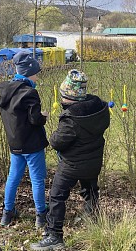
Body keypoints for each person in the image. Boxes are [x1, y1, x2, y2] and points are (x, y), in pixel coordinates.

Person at [30, 69, 110, 250]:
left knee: (57, 196)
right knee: (90, 190)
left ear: (69, 96)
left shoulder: (71, 118)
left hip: (72, 165)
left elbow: (57, 142)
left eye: (63, 96)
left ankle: (54, 236)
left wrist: (52, 135)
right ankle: (94, 221)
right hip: (94, 161)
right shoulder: (98, 110)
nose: (61, 99)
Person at [0, 50, 49, 228]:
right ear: (28, 73)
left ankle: (7, 213)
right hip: (32, 145)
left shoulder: (2, 91)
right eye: (36, 74)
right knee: (37, 179)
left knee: (13, 178)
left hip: (14, 143)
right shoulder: (30, 93)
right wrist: (44, 116)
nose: (37, 78)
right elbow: (34, 119)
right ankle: (41, 215)